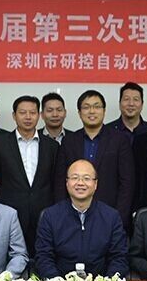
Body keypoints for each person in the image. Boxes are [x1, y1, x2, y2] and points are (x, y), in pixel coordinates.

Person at [0, 95, 59, 256]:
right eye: (22, 112)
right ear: (14, 116)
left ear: (39, 115)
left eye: (32, 113)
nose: (28, 117)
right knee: (10, 260)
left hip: (44, 214)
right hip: (9, 215)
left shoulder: (52, 146)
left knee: (43, 258)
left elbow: (55, 182)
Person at [55, 90, 134, 229]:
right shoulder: (69, 141)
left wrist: (119, 217)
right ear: (79, 113)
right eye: (86, 107)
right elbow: (60, 181)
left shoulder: (120, 140)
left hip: (110, 214)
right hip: (73, 215)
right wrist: (63, 215)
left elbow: (127, 183)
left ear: (104, 111)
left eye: (97, 106)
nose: (92, 111)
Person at [36, 159, 128, 278]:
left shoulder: (111, 217)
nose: (80, 183)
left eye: (86, 178)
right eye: (75, 178)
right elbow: (43, 257)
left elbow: (119, 257)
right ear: (67, 183)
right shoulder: (50, 216)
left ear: (95, 184)